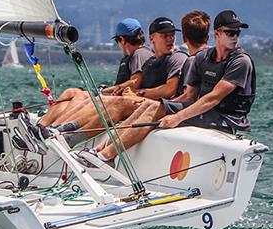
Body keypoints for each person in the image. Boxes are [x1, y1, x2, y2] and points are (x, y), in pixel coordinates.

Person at [88, 9, 256, 163]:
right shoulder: (203, 58)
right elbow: (188, 96)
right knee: (151, 106)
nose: (235, 37)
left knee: (156, 109)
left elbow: (212, 99)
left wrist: (176, 117)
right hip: (205, 112)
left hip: (225, 119)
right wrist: (163, 105)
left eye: (237, 33)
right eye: (230, 32)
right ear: (217, 34)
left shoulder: (241, 61)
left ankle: (106, 155)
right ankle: (99, 150)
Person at [53, 17, 187, 144]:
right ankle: (59, 129)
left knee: (110, 102)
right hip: (142, 101)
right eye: (165, 36)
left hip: (155, 106)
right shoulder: (150, 61)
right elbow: (135, 83)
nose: (170, 39)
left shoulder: (174, 57)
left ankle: (70, 138)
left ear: (121, 39)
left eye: (172, 36)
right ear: (152, 38)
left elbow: (168, 89)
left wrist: (136, 93)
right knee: (93, 98)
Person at [39, 18, 152, 127]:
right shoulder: (134, 55)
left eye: (118, 41)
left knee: (81, 95)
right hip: (116, 96)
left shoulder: (140, 54)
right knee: (70, 92)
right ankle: (43, 125)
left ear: (122, 39)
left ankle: (56, 127)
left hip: (121, 101)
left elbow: (135, 82)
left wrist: (103, 91)